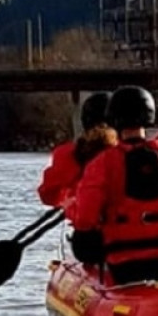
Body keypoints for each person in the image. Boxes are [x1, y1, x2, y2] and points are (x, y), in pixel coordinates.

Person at [72, 86, 158, 284]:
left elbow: (86, 219)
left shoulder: (101, 164)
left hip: (125, 266)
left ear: (113, 120)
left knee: (82, 239)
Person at [37, 92, 117, 220]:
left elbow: (48, 195)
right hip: (134, 231)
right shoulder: (138, 153)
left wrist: (68, 202)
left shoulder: (67, 154)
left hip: (87, 230)